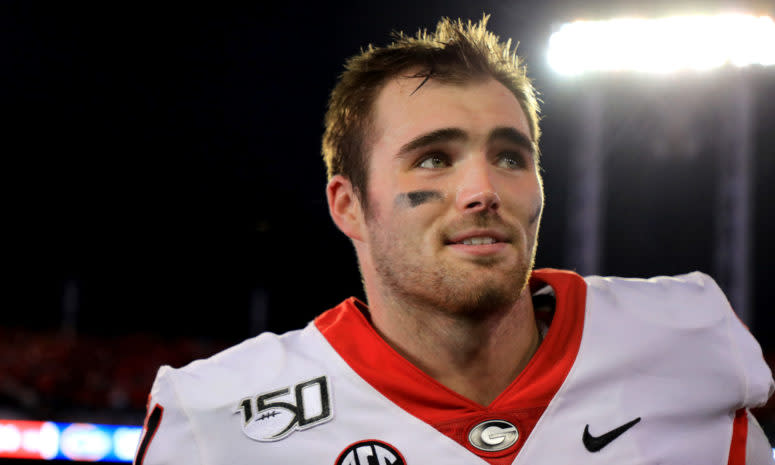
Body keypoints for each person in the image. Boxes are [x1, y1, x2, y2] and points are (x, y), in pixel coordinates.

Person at [133, 16, 774, 465]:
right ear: (349, 205)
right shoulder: (220, 420)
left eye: (511, 157)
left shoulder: (690, 338)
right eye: (434, 159)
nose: (482, 190)